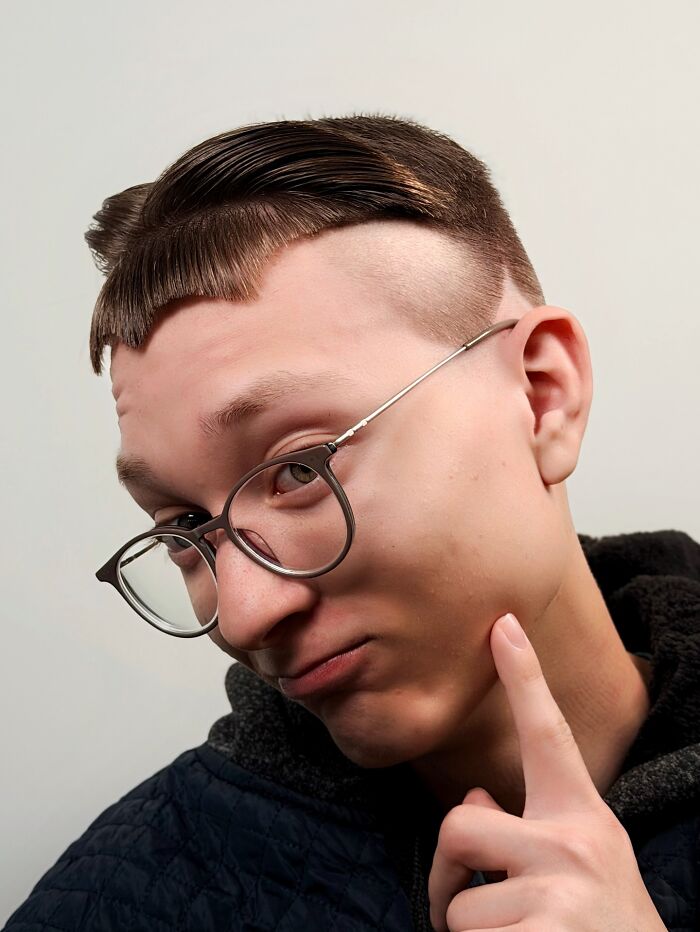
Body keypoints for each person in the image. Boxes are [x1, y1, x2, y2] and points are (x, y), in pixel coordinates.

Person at [5, 114, 699, 932]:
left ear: (542, 397)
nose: (247, 613)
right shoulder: (119, 906)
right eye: (186, 524)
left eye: (300, 470)